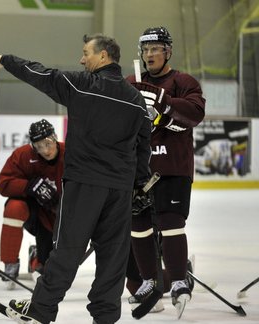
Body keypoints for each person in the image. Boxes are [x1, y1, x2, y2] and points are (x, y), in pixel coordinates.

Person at [0, 33, 151, 324]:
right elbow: (143, 147)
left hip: (85, 184)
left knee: (68, 249)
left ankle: (42, 308)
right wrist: (139, 186)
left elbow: (42, 74)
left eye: (86, 53)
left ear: (103, 56)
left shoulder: (83, 85)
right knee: (113, 255)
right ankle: (106, 317)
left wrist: (4, 60)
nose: (81, 59)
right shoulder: (136, 100)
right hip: (120, 190)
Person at [125, 26, 205, 318]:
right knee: (139, 224)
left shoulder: (183, 82)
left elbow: (195, 113)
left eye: (155, 49)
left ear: (168, 51)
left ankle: (180, 279)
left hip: (173, 167)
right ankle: (149, 280)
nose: (149, 55)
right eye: (145, 50)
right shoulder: (132, 82)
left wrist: (163, 102)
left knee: (171, 223)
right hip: (140, 170)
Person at [0, 119, 64, 290]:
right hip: (34, 213)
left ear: (55, 138)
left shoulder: (70, 154)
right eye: (38, 146)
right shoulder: (23, 155)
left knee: (47, 266)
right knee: (14, 208)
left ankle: (36, 256)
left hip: (59, 215)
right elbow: (4, 184)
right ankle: (10, 263)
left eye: (47, 143)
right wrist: (28, 186)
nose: (44, 150)